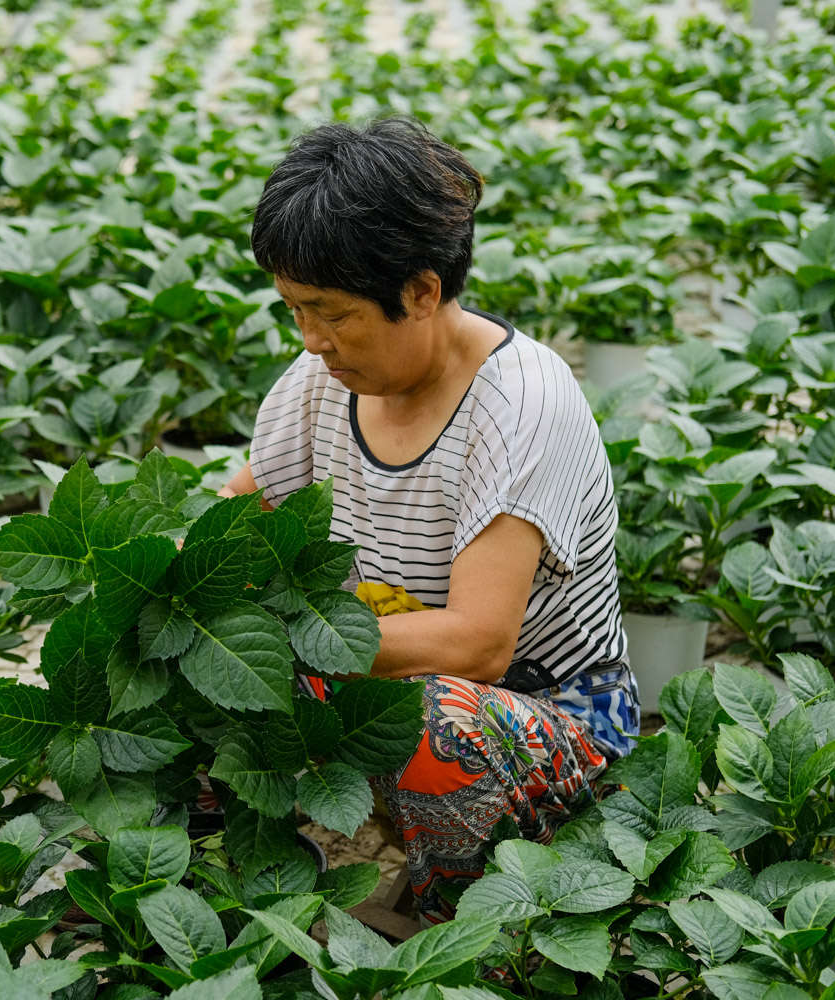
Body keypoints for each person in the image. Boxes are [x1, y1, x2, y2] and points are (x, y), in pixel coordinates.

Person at [217, 117, 640, 923]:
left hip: (541, 713)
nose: (311, 341)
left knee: (431, 724)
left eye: (332, 313)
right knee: (195, 664)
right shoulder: (320, 383)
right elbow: (232, 523)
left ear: (421, 290)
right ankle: (249, 891)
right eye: (295, 311)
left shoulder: (521, 402)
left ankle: (455, 927)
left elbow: (478, 644)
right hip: (375, 674)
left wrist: (278, 637)